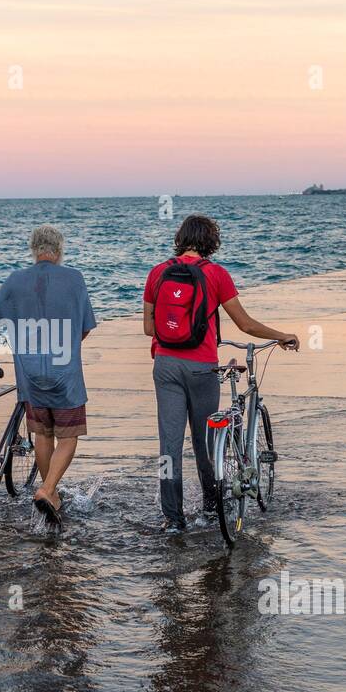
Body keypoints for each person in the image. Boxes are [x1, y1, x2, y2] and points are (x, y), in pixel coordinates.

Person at [143, 214, 299, 533]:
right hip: (202, 368)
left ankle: (173, 520)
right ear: (211, 242)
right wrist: (281, 335)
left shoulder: (157, 273)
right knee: (206, 443)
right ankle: (212, 512)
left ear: (180, 238)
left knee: (169, 446)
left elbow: (149, 328)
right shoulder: (216, 274)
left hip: (165, 366)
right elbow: (245, 324)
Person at [0, 225, 95, 524]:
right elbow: (83, 329)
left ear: (34, 249)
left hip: (29, 376)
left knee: (43, 433)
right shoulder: (74, 278)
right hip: (65, 375)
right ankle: (47, 489)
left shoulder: (16, 280)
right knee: (68, 437)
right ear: (59, 250)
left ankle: (50, 493)